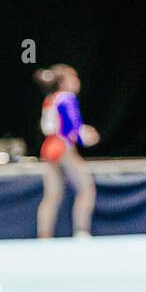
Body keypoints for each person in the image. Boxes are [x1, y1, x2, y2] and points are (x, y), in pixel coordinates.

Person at [34, 64, 98, 238]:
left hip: (48, 148)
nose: (77, 82)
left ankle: (44, 236)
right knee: (86, 188)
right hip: (62, 147)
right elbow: (72, 126)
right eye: (74, 77)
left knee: (52, 195)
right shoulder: (66, 97)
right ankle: (82, 233)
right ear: (62, 82)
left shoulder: (50, 98)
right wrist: (86, 135)